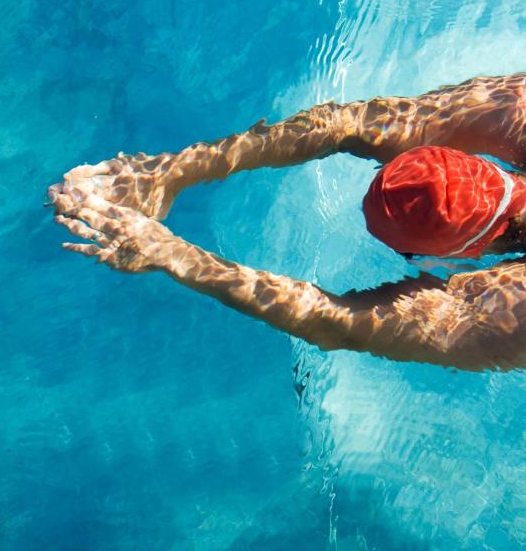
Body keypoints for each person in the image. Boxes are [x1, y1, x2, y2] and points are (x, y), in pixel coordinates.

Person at [48, 73, 526, 371]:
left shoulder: (513, 315)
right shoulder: (514, 108)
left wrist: (168, 253)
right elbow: (352, 123)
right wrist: (171, 172)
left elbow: (337, 322)